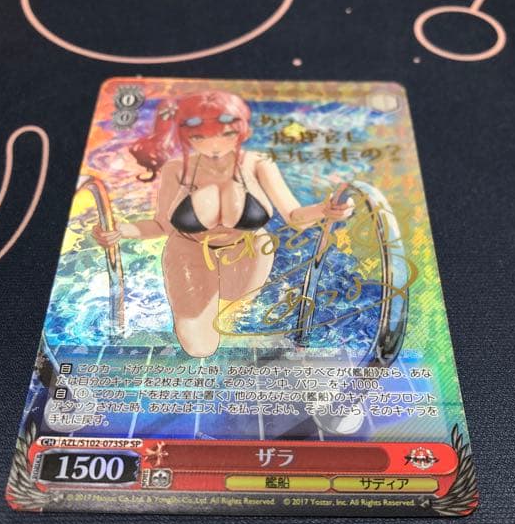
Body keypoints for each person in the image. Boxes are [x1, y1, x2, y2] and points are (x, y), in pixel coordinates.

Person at [93, 90, 354, 357]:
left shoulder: (258, 163)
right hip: (189, 248)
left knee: (235, 310)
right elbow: (162, 226)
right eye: (200, 137)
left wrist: (325, 210)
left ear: (242, 131)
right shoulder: (177, 169)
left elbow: (294, 216)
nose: (214, 145)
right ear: (186, 135)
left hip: (247, 249)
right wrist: (119, 231)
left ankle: (227, 301)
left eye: (226, 134)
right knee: (199, 348)